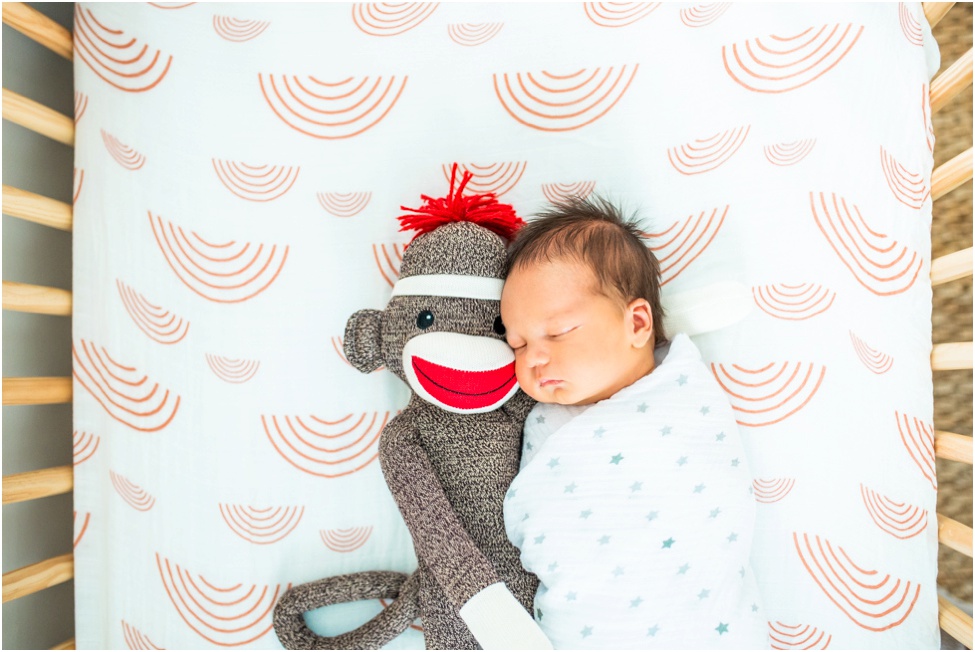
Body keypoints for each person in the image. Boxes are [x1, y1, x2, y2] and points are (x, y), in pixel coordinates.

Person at [500, 195, 768, 649]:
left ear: (638, 323)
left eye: (558, 332)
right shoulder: (543, 420)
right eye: (518, 344)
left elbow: (715, 499)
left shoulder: (682, 396)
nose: (534, 358)